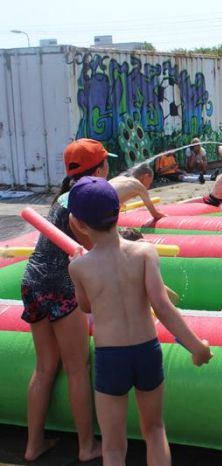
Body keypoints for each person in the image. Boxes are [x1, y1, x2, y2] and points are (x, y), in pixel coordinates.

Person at [67, 176, 213, 466]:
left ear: (78, 224)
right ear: (119, 210)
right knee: (155, 430)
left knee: (113, 446)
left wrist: (78, 262)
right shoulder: (145, 252)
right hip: (146, 350)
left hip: (111, 357)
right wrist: (196, 346)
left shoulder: (79, 266)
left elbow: (85, 307)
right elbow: (162, 306)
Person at [19, 138, 111, 462]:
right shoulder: (87, 199)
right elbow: (96, 248)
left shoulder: (63, 197)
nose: (109, 167)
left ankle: (33, 445)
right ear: (99, 169)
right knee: (77, 368)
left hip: (32, 281)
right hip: (61, 285)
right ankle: (86, 447)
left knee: (45, 367)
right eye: (106, 162)